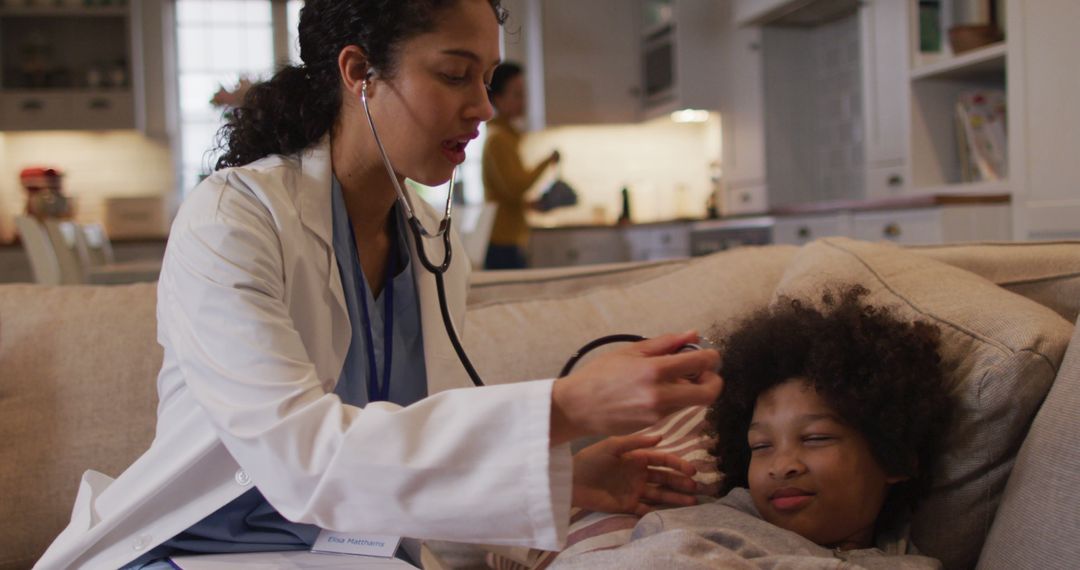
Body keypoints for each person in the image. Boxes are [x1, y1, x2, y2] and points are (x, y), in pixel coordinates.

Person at [33, 1, 723, 569]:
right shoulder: (233, 217)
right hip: (201, 547)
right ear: (359, 72)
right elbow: (303, 460)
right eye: (456, 75)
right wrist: (563, 410)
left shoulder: (430, 241)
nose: (483, 107)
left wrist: (569, 479)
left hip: (350, 554)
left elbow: (407, 462)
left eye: (487, 78)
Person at [552, 286, 954, 569]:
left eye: (815, 438)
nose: (781, 465)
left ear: (894, 455)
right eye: (760, 446)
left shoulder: (914, 562)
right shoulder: (696, 529)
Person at [481, 61, 559, 269]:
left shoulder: (505, 137)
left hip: (507, 238)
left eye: (523, 94)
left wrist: (529, 205)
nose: (523, 101)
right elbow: (515, 188)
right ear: (498, 99)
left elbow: (506, 194)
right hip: (503, 241)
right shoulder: (499, 140)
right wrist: (546, 162)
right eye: (517, 94)